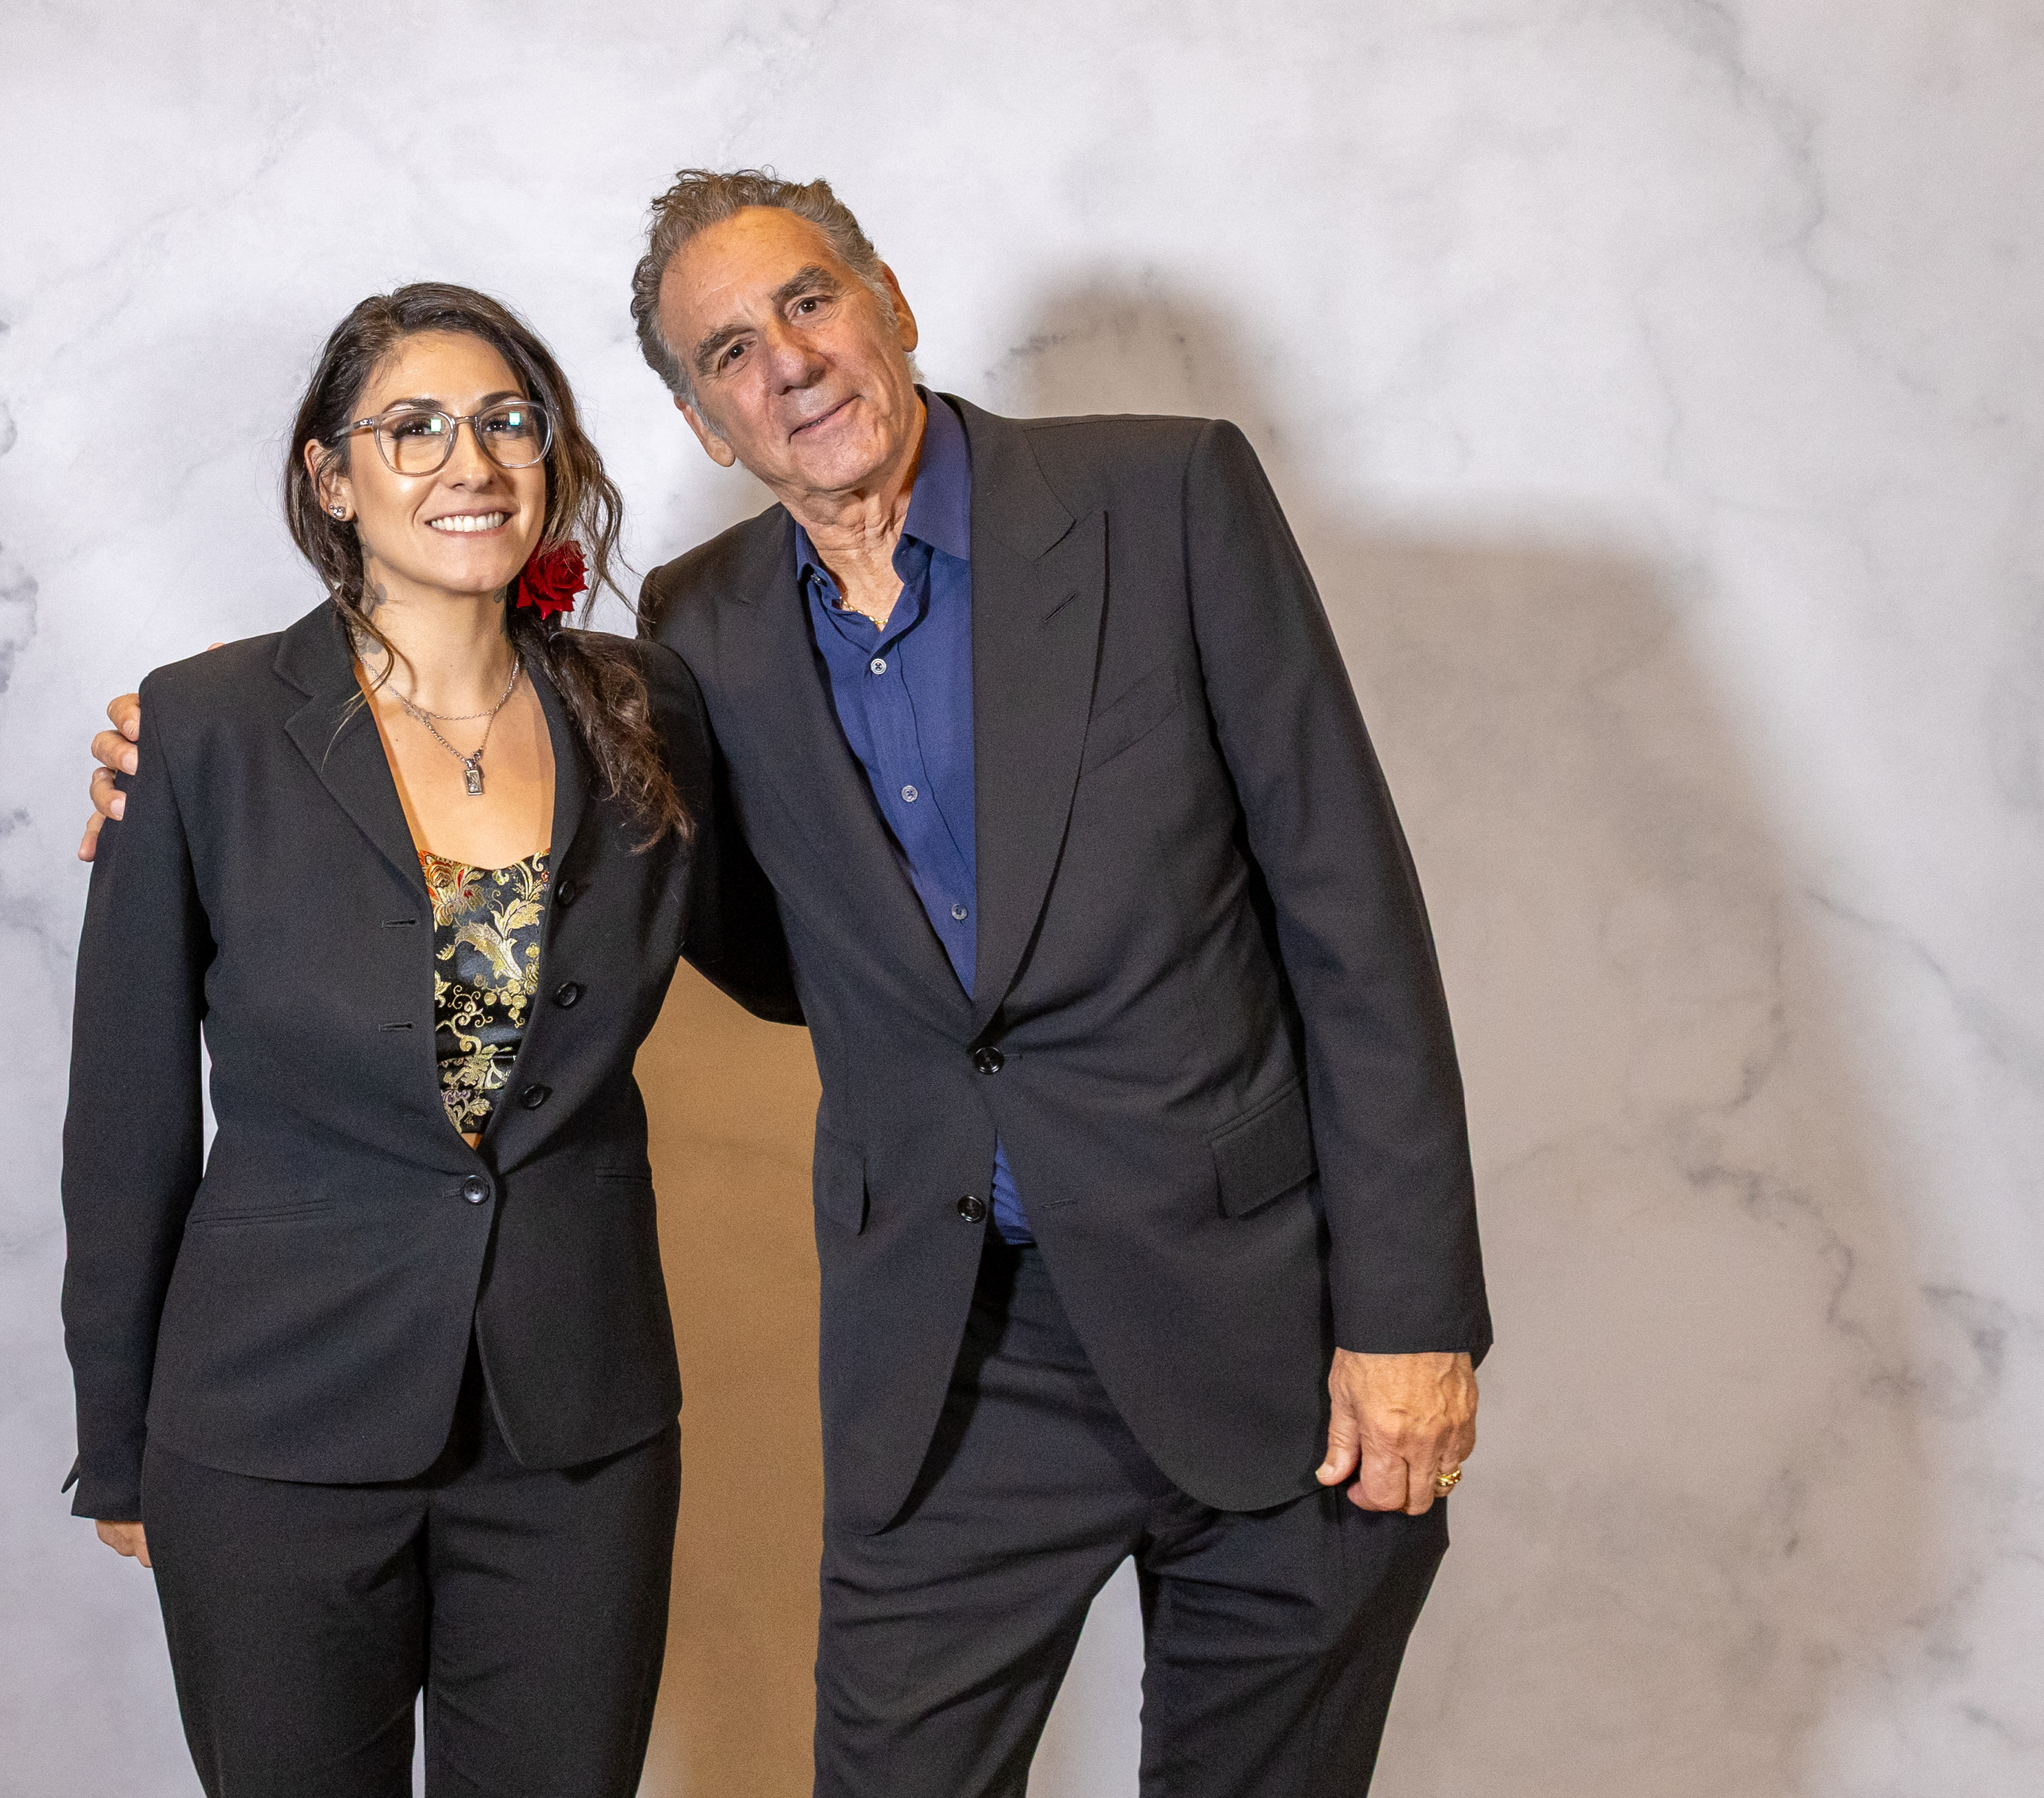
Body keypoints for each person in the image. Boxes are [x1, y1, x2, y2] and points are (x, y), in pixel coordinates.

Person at [85, 172, 1490, 1798]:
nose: (789, 363)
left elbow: (1348, 912)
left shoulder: (1154, 500)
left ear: (888, 301)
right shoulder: (699, 633)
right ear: (699, 420)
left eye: (808, 302)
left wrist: (1408, 1315)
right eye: (728, 351)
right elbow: (757, 942)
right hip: (950, 1352)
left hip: (1262, 1318)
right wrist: (177, 763)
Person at [62, 281, 739, 1798]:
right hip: (274, 1423)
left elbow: (794, 948)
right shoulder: (201, 725)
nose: (470, 461)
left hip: (574, 1428)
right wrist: (116, 1431)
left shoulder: (647, 708)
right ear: (331, 476)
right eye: (412, 427)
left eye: (507, 421)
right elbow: (124, 1110)